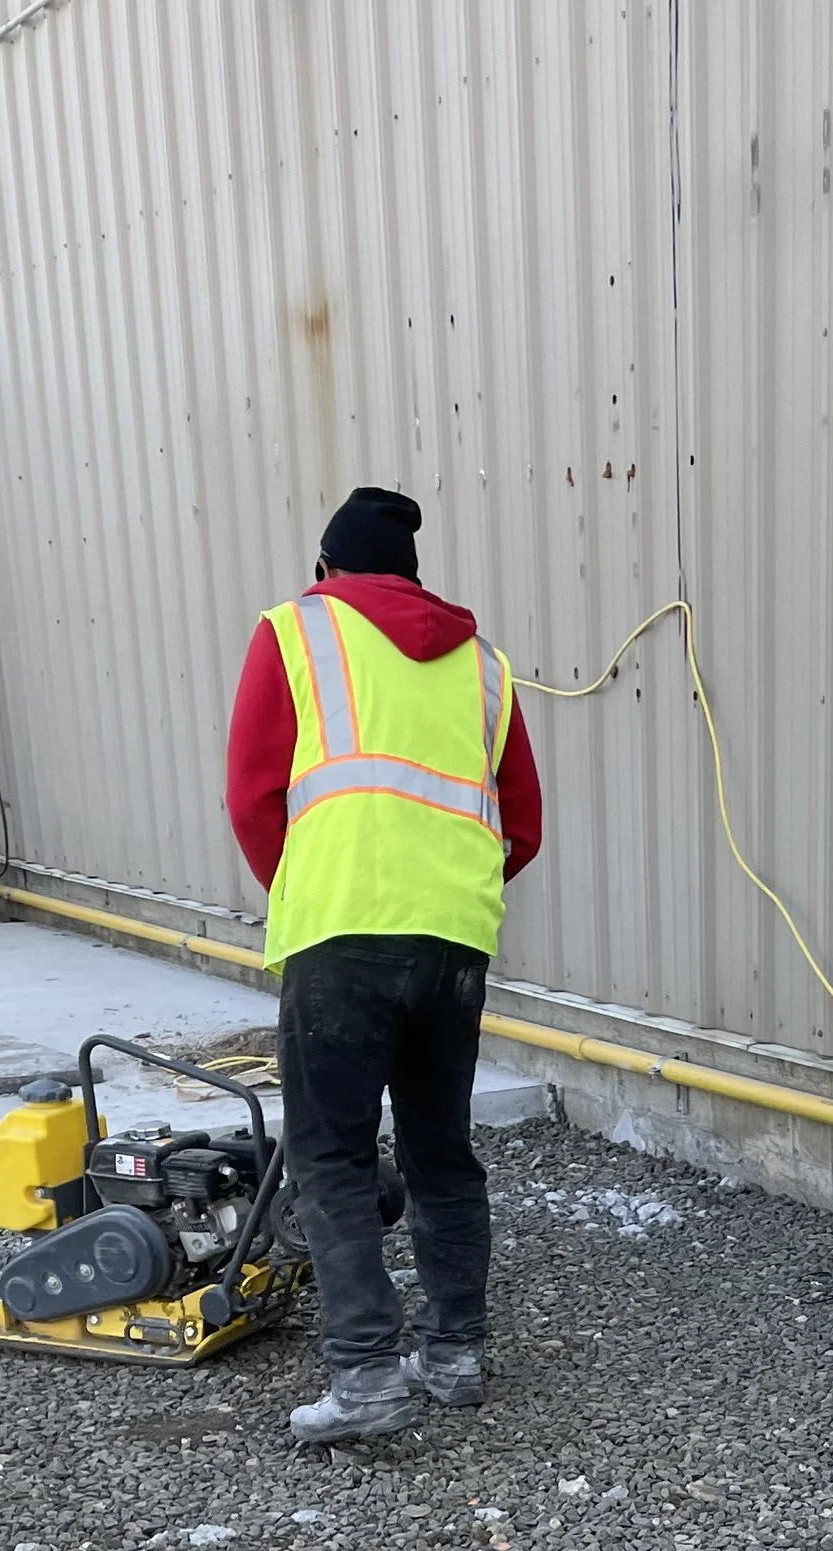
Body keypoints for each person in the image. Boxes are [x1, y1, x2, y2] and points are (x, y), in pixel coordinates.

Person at [226, 485, 542, 1439]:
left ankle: (365, 1378)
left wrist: (309, 884)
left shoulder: (295, 632)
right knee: (442, 1149)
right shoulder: (486, 669)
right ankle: (454, 1355)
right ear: (413, 574)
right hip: (453, 938)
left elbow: (252, 793)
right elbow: (519, 824)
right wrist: (448, 891)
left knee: (330, 1153)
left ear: (325, 569)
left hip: (340, 931)